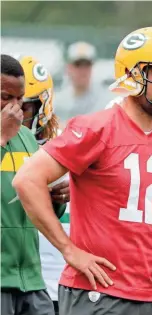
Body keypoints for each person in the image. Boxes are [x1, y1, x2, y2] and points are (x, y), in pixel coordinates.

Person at [12, 26, 152, 315]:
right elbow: (27, 179)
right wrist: (68, 249)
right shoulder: (97, 127)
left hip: (144, 293)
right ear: (132, 73)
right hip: (96, 292)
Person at [0, 54, 58, 315]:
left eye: (20, 100)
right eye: (5, 97)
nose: (15, 108)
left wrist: (54, 200)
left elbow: (37, 213)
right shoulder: (9, 132)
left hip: (32, 281)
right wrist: (2, 137)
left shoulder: (27, 139)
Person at [19, 55, 70, 315]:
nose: (12, 113)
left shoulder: (73, 145)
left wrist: (81, 190)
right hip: (17, 284)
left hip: (64, 284)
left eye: (23, 106)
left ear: (43, 105)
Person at [54, 41, 112, 127]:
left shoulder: (106, 101)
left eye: (86, 65)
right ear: (69, 67)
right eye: (78, 65)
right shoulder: (58, 101)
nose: (82, 70)